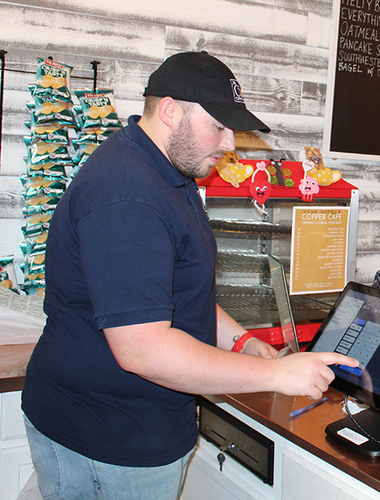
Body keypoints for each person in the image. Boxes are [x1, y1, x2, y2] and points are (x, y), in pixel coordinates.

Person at [21, 51, 357, 499]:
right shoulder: (128, 195)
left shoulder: (168, 176)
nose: (230, 144)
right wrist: (277, 376)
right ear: (170, 110)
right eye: (217, 126)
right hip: (105, 438)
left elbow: (180, 292)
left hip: (142, 425)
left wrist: (241, 341)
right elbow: (143, 352)